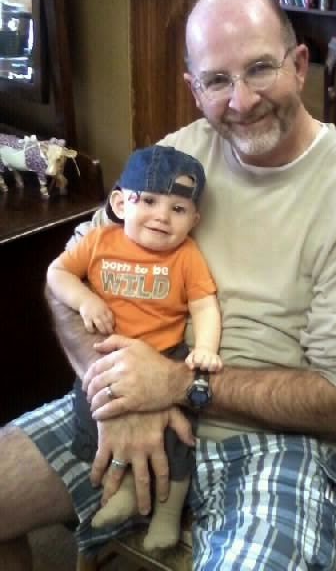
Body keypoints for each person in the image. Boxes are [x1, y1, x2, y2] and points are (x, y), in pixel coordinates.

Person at [0, 0, 336, 571]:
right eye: (217, 80)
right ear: (194, 89)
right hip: (129, 398)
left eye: (260, 68)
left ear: (298, 66)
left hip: (278, 444)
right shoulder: (176, 156)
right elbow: (65, 276)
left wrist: (176, 385)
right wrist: (114, 390)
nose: (241, 100)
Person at [45, 145, 222, 551]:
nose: (162, 216)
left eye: (178, 209)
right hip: (106, 354)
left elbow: (204, 305)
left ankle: (168, 514)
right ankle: (123, 490)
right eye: (149, 201)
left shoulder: (187, 256)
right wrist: (85, 301)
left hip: (165, 356)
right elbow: (57, 272)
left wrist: (205, 348)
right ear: (121, 204)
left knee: (177, 436)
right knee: (95, 414)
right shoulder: (98, 241)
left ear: (194, 220)